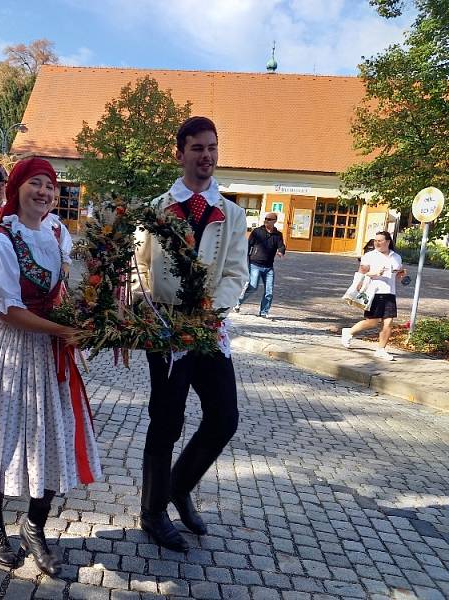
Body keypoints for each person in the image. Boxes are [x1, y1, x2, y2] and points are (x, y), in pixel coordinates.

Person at [0, 158, 101, 575]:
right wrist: (61, 329)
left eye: (50, 186)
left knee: (54, 438)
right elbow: (7, 310)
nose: (45, 192)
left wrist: (78, 316)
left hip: (49, 347)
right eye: (35, 183)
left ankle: (35, 527)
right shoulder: (1, 240)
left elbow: (59, 288)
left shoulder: (55, 233)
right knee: (2, 438)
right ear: (16, 189)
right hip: (11, 350)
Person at [133, 116, 248, 552]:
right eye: (198, 148)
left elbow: (237, 273)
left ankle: (178, 487)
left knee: (224, 417)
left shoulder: (231, 213)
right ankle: (152, 512)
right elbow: (138, 265)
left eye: (213, 148)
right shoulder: (156, 208)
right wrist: (143, 304)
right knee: (166, 420)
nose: (207, 156)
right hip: (163, 329)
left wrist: (206, 310)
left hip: (209, 327)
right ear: (179, 153)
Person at [341, 231, 405, 361]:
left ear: (387, 242)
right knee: (372, 322)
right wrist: (374, 274)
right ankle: (349, 332)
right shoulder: (369, 256)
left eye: (380, 241)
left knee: (388, 321)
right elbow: (362, 273)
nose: (377, 243)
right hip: (373, 291)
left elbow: (398, 272)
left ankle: (381, 349)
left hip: (390, 292)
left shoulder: (396, 257)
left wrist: (401, 274)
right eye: (375, 240)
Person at [234, 211, 285, 317]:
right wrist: (245, 259)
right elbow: (248, 245)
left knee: (269, 291)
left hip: (269, 266)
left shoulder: (278, 235)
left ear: (275, 221)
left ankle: (264, 312)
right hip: (255, 264)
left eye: (269, 219)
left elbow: (281, 245)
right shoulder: (257, 232)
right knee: (253, 287)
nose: (266, 221)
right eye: (265, 219)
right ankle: (238, 302)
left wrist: (281, 251)